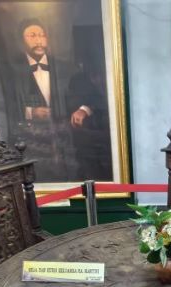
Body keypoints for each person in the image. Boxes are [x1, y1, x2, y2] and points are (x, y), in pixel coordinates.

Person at [12, 20, 103, 182]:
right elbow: (4, 105)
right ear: (21, 41)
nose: (38, 40)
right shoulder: (11, 71)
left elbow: (93, 97)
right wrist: (31, 112)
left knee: (73, 176)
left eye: (42, 35)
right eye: (32, 36)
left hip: (67, 140)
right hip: (32, 143)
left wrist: (83, 110)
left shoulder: (66, 67)